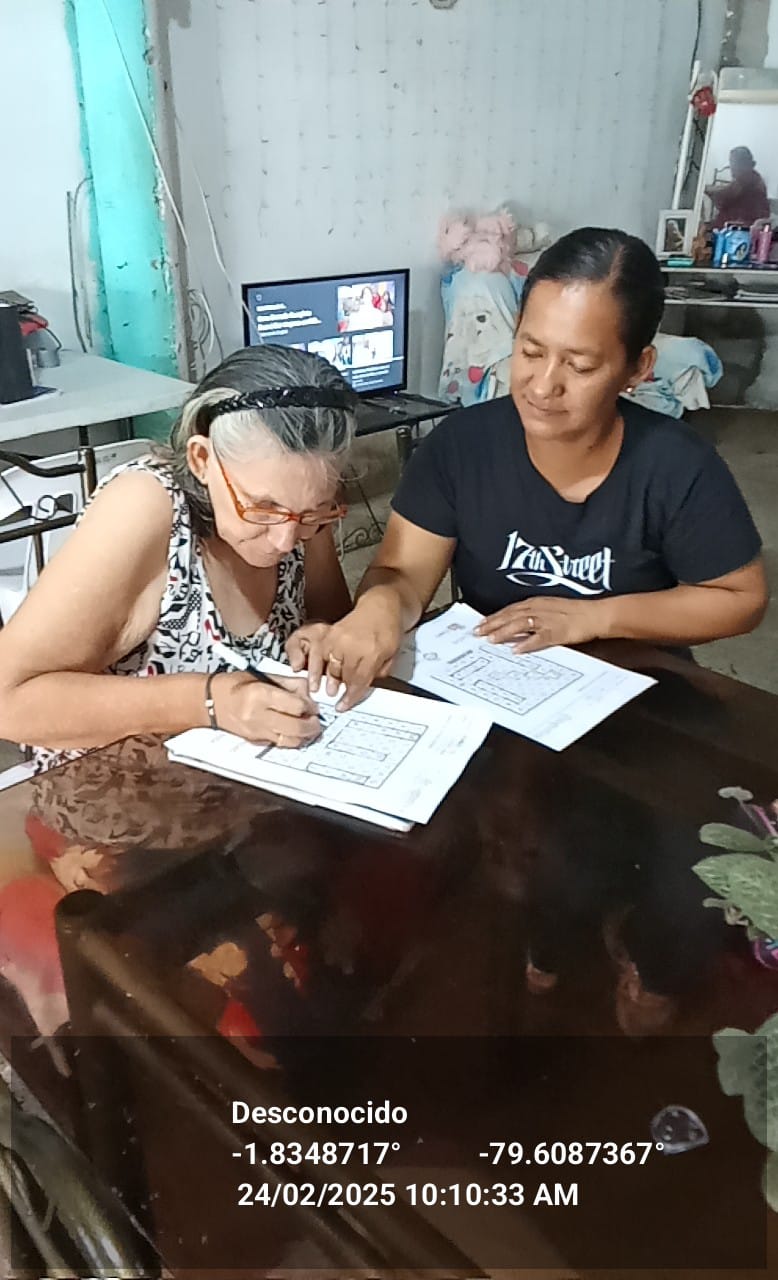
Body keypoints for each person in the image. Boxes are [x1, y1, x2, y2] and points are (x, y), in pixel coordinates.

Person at [286, 227, 767, 707]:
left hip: (634, 699)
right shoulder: (460, 447)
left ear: (639, 368)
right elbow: (402, 573)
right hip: (497, 685)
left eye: (579, 366)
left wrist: (595, 618)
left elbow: (740, 599)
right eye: (531, 351)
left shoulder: (678, 466)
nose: (542, 386)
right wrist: (378, 610)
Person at [0, 345, 357, 769]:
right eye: (262, 508)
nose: (285, 540)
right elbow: (9, 701)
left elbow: (330, 617)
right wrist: (210, 701)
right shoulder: (146, 507)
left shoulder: (300, 511)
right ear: (202, 460)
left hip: (241, 783)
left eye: (314, 511)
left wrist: (319, 635)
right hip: (111, 787)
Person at [706, 146, 770, 230]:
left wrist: (705, 190)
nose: (731, 167)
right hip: (731, 227)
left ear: (743, 165)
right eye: (731, 162)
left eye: (734, 162)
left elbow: (722, 197)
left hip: (738, 230)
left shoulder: (747, 179)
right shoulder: (750, 178)